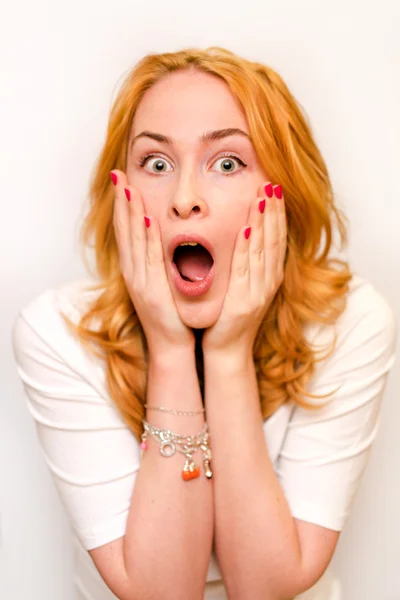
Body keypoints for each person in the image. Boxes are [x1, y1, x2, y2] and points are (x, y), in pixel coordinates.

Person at [11, 45, 397, 600]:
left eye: (228, 163)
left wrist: (226, 355)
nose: (185, 199)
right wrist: (170, 350)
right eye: (157, 164)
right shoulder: (56, 332)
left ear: (283, 192)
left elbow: (265, 588)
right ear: (122, 194)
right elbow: (161, 592)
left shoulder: (351, 323)